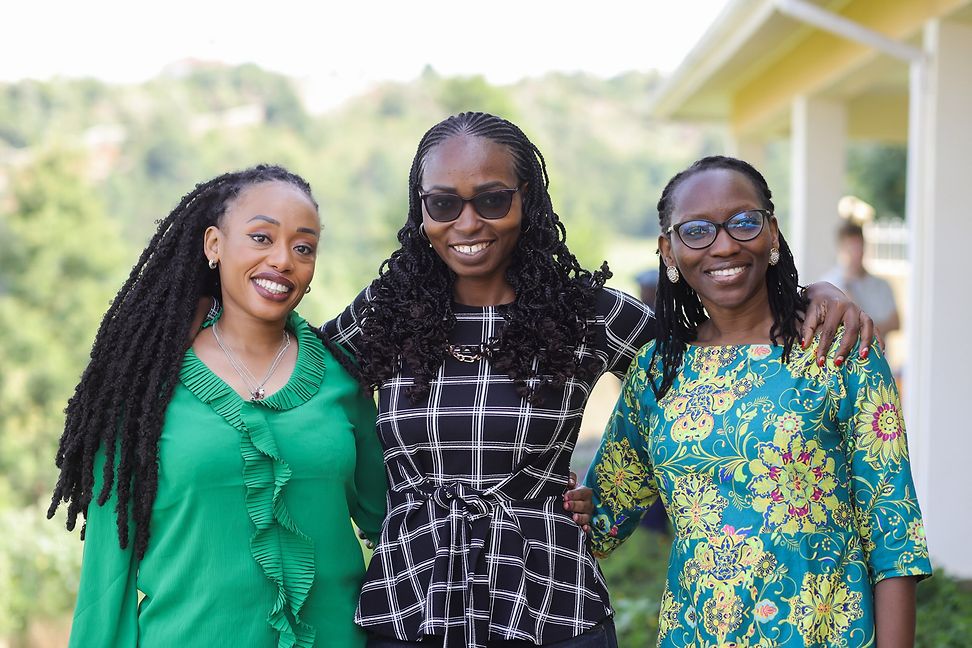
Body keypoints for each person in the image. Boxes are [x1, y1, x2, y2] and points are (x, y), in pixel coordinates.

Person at [321, 113, 879, 648]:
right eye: (443, 202)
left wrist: (809, 297)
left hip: (551, 605)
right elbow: (290, 373)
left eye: (492, 199)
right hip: (412, 603)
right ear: (421, 211)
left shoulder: (580, 314)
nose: (468, 223)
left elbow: (716, 337)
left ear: (527, 202)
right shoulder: (386, 313)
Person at [585, 156, 932, 647]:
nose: (724, 245)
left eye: (744, 222)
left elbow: (893, 532)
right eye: (697, 230)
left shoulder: (839, 349)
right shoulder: (656, 373)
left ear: (772, 232)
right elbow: (601, 518)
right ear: (668, 250)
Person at [48, 165, 388, 647]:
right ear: (214, 245)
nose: (283, 259)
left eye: (303, 246)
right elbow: (108, 577)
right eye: (260, 237)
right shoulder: (144, 389)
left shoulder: (342, 377)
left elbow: (395, 526)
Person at [822, 221, 900, 335]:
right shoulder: (829, 284)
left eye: (859, 246)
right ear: (841, 248)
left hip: (877, 351)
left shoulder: (881, 285)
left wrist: (868, 329)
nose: (857, 253)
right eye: (851, 248)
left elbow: (896, 323)